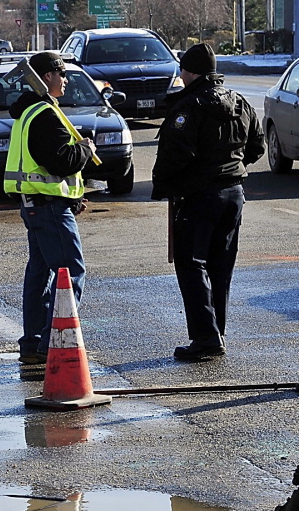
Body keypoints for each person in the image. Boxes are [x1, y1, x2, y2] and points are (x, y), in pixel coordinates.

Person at [151, 43, 265, 360]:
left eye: (183, 70)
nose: (181, 75)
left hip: (199, 196)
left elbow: (176, 155)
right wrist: (231, 165)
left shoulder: (190, 106)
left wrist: (162, 185)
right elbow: (257, 146)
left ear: (191, 72)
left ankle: (205, 338)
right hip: (233, 194)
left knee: (191, 265)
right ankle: (216, 332)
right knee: (220, 266)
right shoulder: (239, 102)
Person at [3, 51, 97, 364]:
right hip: (48, 209)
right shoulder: (44, 113)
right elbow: (60, 160)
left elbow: (47, 167)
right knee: (71, 273)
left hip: (39, 205)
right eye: (62, 75)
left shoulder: (29, 112)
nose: (67, 81)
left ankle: (33, 342)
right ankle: (52, 340)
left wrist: (72, 197)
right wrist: (85, 149)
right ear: (47, 77)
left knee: (40, 275)